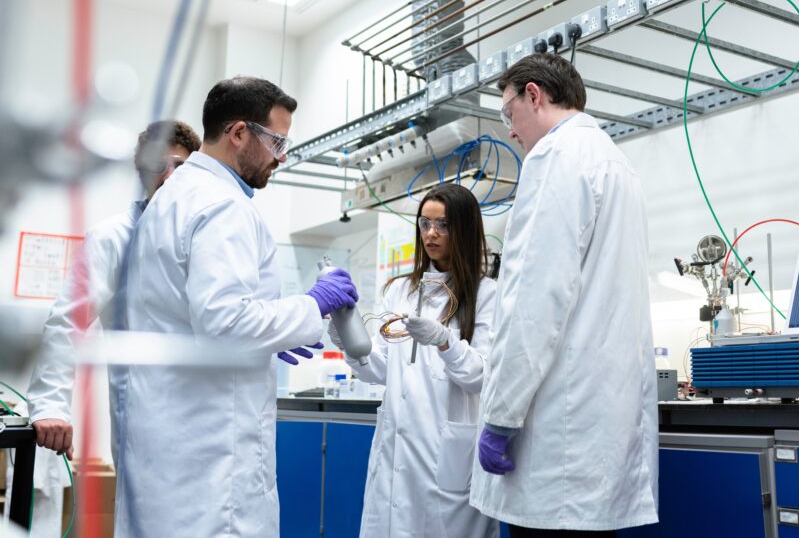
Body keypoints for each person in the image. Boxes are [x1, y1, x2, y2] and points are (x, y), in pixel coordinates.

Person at [115, 77, 359, 537]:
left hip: (170, 440)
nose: (281, 156)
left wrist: (272, 336)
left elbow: (192, 314)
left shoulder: (172, 198)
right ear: (240, 134)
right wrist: (311, 306)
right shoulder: (222, 205)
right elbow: (224, 323)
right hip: (210, 454)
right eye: (277, 141)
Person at [470, 54, 659, 536]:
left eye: (508, 113)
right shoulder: (616, 162)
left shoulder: (554, 158)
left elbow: (532, 305)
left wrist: (500, 416)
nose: (510, 130)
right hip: (601, 427)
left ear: (534, 95)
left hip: (558, 433)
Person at [8, 121, 200, 538]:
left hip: (207, 420)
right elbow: (68, 322)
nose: (169, 176)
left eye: (181, 167)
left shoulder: (206, 241)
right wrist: (51, 406)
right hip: (145, 420)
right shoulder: (114, 237)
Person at [330, 183, 499, 538]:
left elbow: (481, 376)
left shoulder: (486, 293)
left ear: (465, 229)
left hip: (447, 451)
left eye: (443, 225)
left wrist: (444, 341)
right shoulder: (400, 289)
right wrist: (350, 341)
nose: (431, 234)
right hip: (397, 447)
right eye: (424, 224)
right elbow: (381, 370)